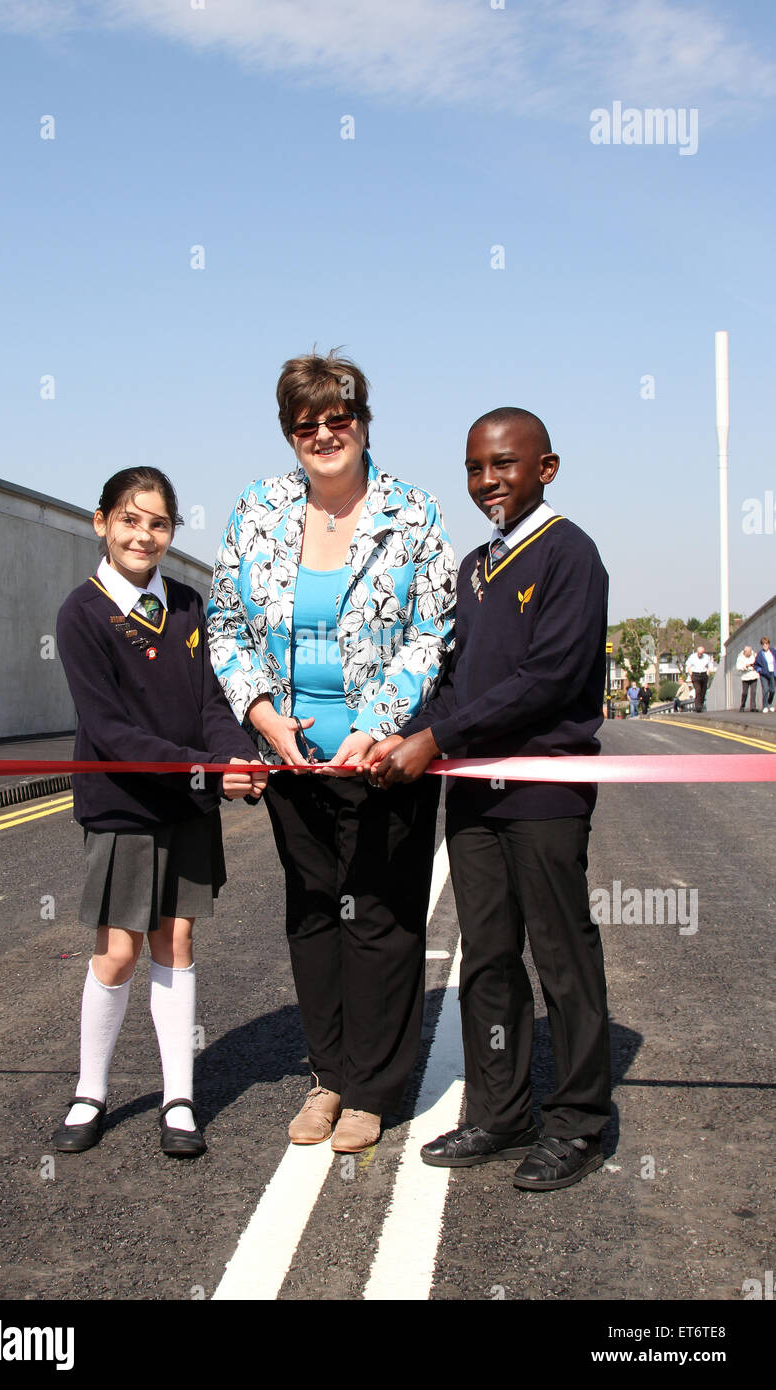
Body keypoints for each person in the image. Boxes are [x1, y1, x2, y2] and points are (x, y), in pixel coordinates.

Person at [206, 350, 456, 1153]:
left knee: (379, 919)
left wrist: (378, 722)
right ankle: (330, 1076)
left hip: (381, 758)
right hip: (292, 759)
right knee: (314, 915)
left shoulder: (412, 514)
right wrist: (262, 715)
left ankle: (373, 1092)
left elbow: (432, 633)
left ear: (363, 420)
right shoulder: (255, 511)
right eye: (304, 422)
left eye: (337, 417)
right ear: (289, 432)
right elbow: (224, 626)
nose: (323, 433)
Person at [365, 406, 611, 1192]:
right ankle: (501, 1110)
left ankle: (578, 1121)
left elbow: (547, 680)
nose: (487, 481)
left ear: (546, 467)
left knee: (561, 957)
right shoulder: (472, 568)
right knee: (487, 959)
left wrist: (435, 741)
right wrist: (400, 734)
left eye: (503, 464)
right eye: (474, 467)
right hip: (472, 795)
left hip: (542, 791)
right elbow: (452, 684)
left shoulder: (572, 555)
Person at [53, 467, 266, 1158]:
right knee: (117, 953)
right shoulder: (80, 614)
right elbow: (109, 730)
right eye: (129, 519)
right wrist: (204, 769)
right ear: (101, 523)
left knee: (175, 942)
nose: (143, 535)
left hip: (186, 802)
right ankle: (91, 1091)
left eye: (157, 523)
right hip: (124, 803)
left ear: (171, 532)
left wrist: (233, 754)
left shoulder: (187, 605)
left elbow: (212, 705)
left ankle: (179, 1095)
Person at [685, 645, 712, 712]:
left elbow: (710, 665)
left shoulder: (706, 657)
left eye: (701, 654)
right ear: (697, 652)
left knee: (703, 691)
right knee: (698, 690)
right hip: (695, 674)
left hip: (703, 674)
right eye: (698, 653)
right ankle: (698, 706)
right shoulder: (692, 657)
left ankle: (701, 704)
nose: (699, 655)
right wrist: (691, 673)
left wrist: (708, 672)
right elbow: (688, 665)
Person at [753, 637, 776, 712]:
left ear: (768, 644)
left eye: (766, 644)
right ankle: (765, 706)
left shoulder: (773, 651)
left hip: (772, 672)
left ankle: (769, 703)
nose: (765, 645)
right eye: (763, 644)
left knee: (772, 690)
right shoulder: (760, 654)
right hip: (764, 674)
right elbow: (755, 664)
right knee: (765, 689)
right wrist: (759, 670)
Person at [736, 645, 758, 712]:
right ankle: (742, 705)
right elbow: (738, 667)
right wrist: (745, 666)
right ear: (745, 652)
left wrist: (754, 666)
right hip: (745, 677)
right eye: (748, 652)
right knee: (745, 693)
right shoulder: (740, 657)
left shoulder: (754, 655)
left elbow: (758, 663)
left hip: (753, 675)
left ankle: (753, 707)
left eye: (750, 652)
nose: (749, 653)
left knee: (753, 692)